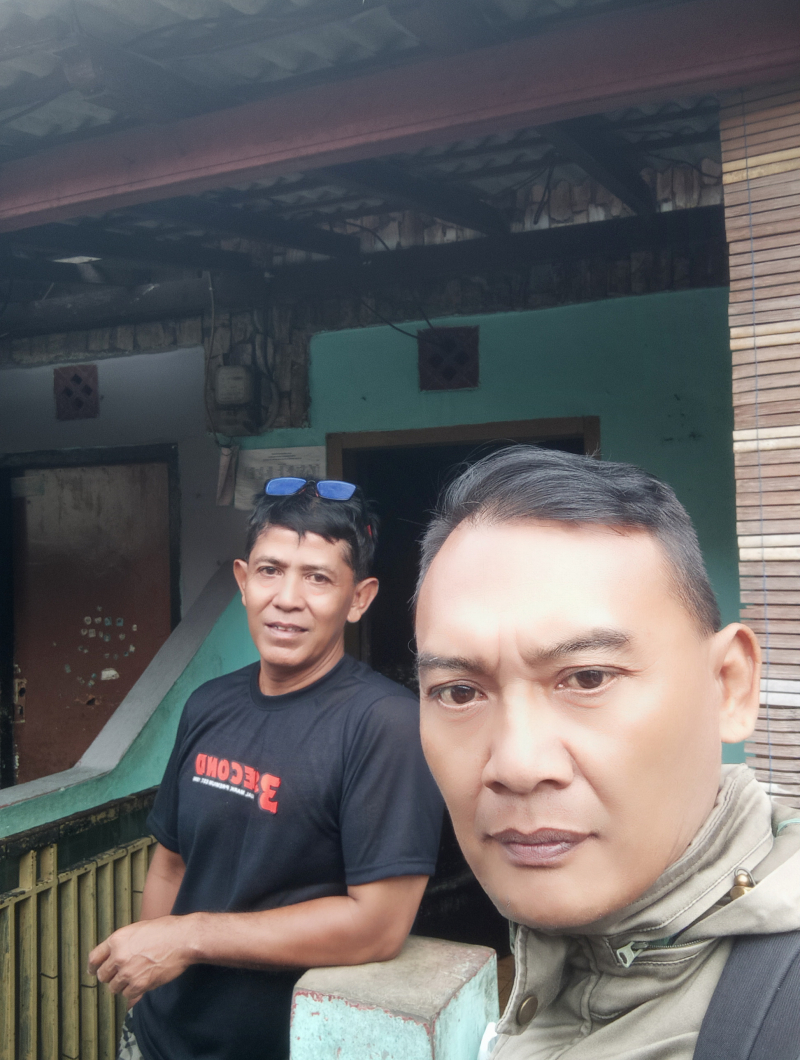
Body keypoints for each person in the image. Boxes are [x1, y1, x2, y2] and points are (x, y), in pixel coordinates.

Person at [414, 446, 800, 1060]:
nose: (517, 765)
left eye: (588, 678)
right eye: (459, 692)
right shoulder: (554, 966)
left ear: (728, 685)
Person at [89, 477, 444, 1060]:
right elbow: (171, 865)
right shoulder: (207, 704)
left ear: (359, 598)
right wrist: (147, 993)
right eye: (270, 570)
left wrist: (188, 936)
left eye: (318, 578)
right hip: (158, 1039)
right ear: (243, 581)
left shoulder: (387, 725)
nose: (287, 598)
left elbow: (378, 926)